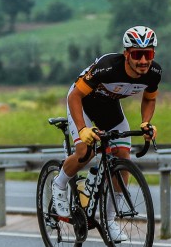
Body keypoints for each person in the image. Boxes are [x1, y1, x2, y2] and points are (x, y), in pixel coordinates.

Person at [51, 25, 160, 220]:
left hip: (108, 105)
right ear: (126, 54)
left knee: (123, 156)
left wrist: (145, 123)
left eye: (148, 53)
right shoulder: (108, 67)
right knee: (85, 152)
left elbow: (149, 99)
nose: (143, 60)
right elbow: (75, 96)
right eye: (137, 54)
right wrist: (82, 128)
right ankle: (59, 185)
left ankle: (110, 221)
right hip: (82, 102)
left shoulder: (154, 72)